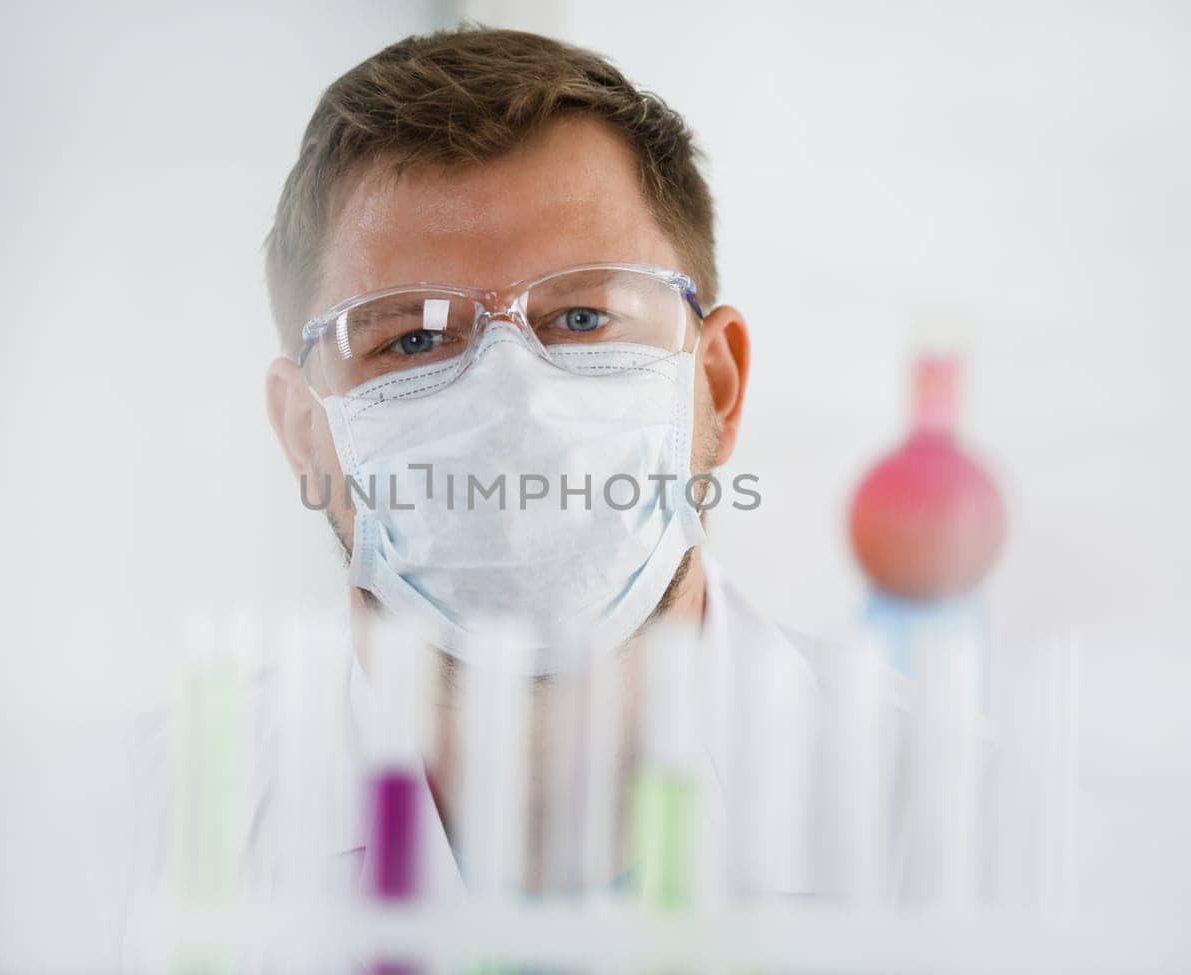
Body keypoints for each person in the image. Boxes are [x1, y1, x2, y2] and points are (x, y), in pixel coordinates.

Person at [128, 27, 823, 927]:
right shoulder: (146, 826)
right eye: (411, 339)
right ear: (305, 435)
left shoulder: (962, 802)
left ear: (717, 386)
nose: (515, 407)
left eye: (582, 316)